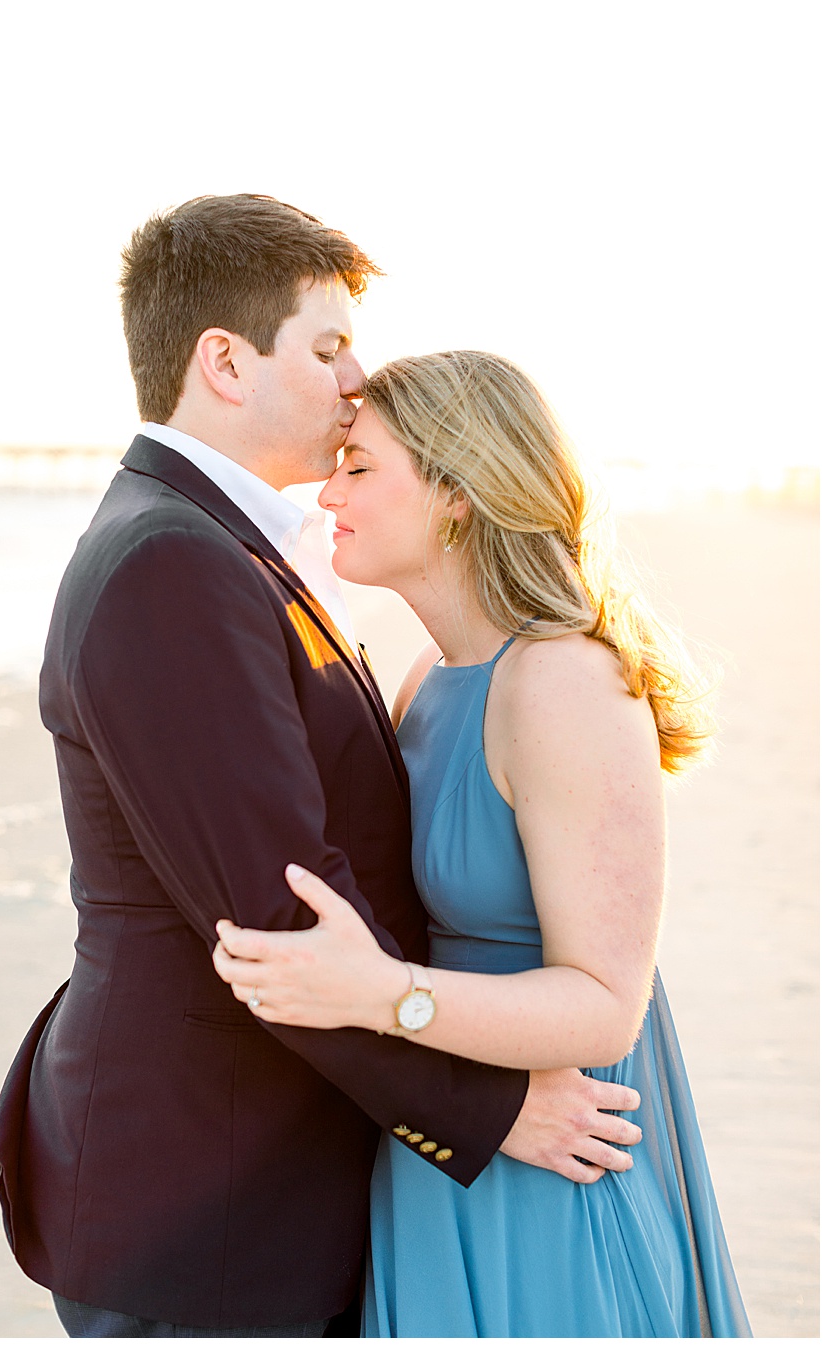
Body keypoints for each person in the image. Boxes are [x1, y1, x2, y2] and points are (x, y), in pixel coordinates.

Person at [0, 195, 643, 1337]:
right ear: (225, 363)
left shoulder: (218, 545)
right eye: (329, 345)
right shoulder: (172, 565)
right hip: (208, 1202)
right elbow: (276, 923)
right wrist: (485, 1111)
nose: (354, 379)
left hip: (262, 1169)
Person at [209, 350, 750, 1336]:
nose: (328, 490)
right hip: (453, 1145)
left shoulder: (565, 684)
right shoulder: (426, 679)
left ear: (457, 496)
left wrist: (377, 994)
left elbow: (602, 1010)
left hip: (557, 1161)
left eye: (360, 467)